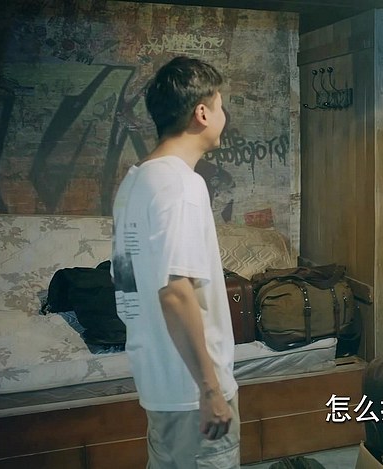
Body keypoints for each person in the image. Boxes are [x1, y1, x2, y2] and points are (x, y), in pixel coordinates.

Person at [111, 56, 239, 467]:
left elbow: (128, 283)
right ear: (202, 113)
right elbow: (174, 292)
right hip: (191, 392)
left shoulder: (135, 182)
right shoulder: (182, 185)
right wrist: (210, 389)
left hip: (158, 385)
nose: (224, 116)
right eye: (220, 106)